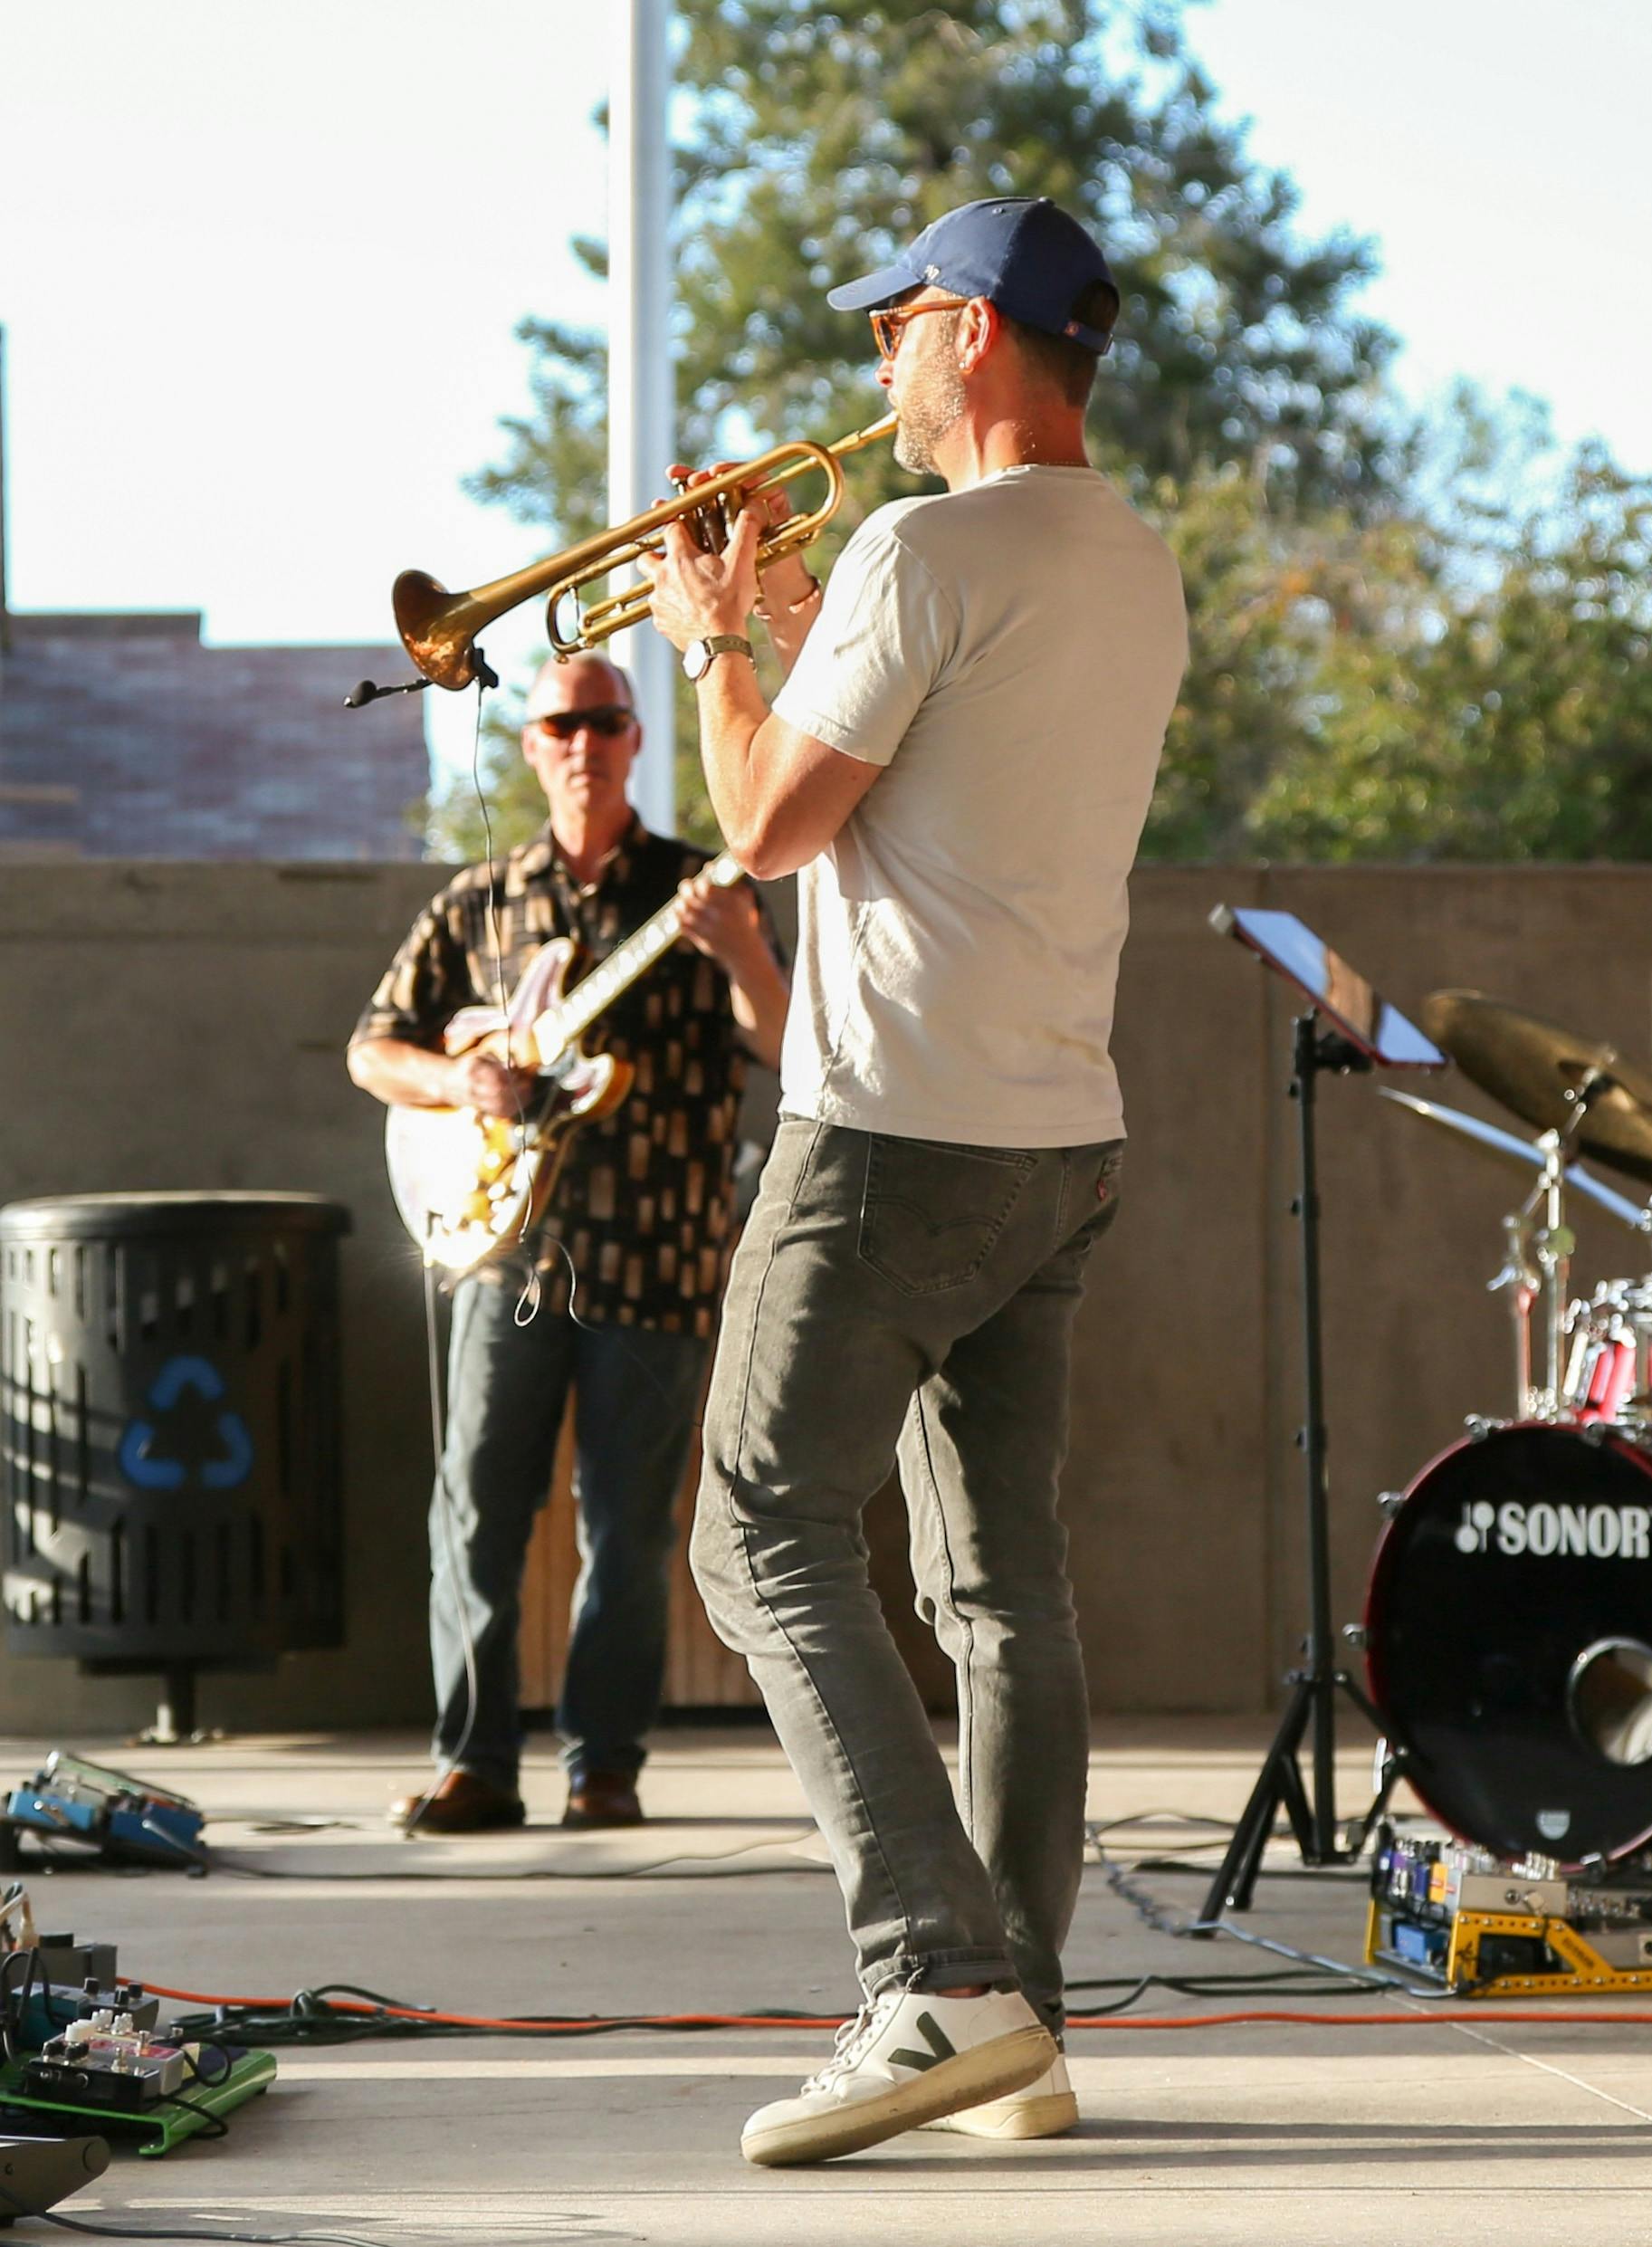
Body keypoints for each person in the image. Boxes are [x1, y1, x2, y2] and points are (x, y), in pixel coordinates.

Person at [638, 195, 1187, 2168]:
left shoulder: (917, 544)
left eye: (891, 328)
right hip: (1056, 1131)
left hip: (885, 1129)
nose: (872, 367)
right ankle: (1016, 2020)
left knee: (758, 1530)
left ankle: (929, 1975)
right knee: (999, 1586)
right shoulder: (1127, 563)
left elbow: (774, 823)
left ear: (965, 329)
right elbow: (925, 765)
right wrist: (787, 629)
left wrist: (715, 640)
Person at [348, 654, 788, 1835]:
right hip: (506, 1254)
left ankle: (606, 1767)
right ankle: (477, 1765)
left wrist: (741, 946)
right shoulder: (479, 901)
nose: (584, 741)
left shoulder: (704, 885)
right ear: (532, 747)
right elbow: (372, 1050)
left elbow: (786, 1041)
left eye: (605, 721)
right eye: (561, 724)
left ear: (636, 739)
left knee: (626, 1531)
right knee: (476, 1512)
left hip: (659, 1254)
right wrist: (463, 1078)